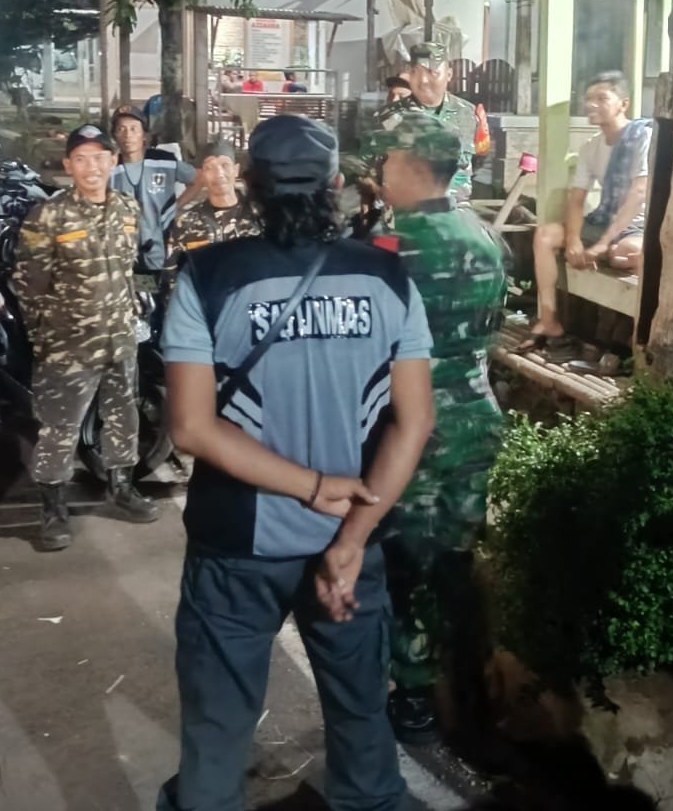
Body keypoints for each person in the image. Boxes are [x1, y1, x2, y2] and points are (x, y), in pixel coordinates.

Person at [156, 115, 436, 811]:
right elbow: (415, 422)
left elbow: (191, 428)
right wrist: (352, 539)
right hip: (351, 540)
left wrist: (310, 487)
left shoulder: (207, 276)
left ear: (251, 185)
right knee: (360, 706)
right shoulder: (388, 276)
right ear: (337, 185)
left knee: (219, 721)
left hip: (237, 545)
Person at [367, 112, 507, 744]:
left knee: (409, 563)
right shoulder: (483, 235)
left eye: (389, 162)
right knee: (457, 556)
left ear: (414, 166)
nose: (381, 173)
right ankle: (471, 686)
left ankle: (417, 695)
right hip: (477, 415)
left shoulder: (390, 245)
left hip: (415, 427)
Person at [14, 123, 158, 546]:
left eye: (99, 157)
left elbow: (130, 268)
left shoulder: (128, 208)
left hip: (120, 338)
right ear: (68, 165)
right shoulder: (49, 215)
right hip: (68, 346)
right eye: (81, 159)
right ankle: (53, 510)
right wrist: (45, 337)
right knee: (60, 427)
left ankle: (122, 488)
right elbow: (28, 284)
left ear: (114, 161)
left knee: (123, 416)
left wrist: (139, 305)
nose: (91, 167)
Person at [520, 71, 652, 351]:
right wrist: (573, 241)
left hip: (638, 226)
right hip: (603, 221)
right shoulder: (591, 147)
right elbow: (577, 199)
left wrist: (602, 244)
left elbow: (639, 194)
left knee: (623, 255)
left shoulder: (644, 139)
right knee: (545, 235)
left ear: (624, 104)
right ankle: (548, 319)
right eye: (589, 98)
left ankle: (640, 339)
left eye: (602, 98)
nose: (591, 104)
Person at [369, 42, 479, 201]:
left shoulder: (467, 113)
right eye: (417, 73)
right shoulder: (388, 116)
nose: (424, 81)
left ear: (449, 75)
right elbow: (374, 171)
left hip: (454, 208)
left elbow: (472, 163)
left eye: (432, 73)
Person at [160, 138, 259, 303]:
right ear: (202, 175)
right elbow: (171, 276)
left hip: (251, 309)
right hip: (205, 311)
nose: (218, 173)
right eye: (209, 167)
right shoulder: (185, 223)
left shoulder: (259, 217)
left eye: (225, 165)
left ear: (236, 170)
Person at [108, 107, 198, 279]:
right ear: (115, 136)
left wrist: (176, 206)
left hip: (162, 248)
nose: (127, 135)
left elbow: (198, 179)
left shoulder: (163, 161)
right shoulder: (110, 168)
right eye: (121, 129)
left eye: (133, 129)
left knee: (161, 290)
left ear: (144, 136)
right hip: (122, 253)